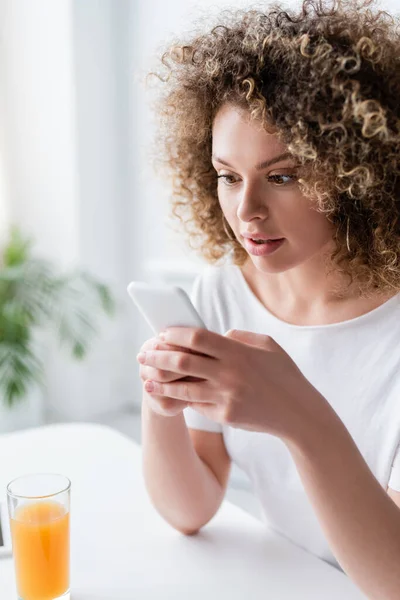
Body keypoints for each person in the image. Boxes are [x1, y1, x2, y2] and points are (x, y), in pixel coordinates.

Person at [136, 0, 400, 597]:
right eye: (228, 175)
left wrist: (298, 415)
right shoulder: (222, 294)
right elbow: (190, 508)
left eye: (282, 176)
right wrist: (160, 399)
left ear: (359, 173)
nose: (247, 211)